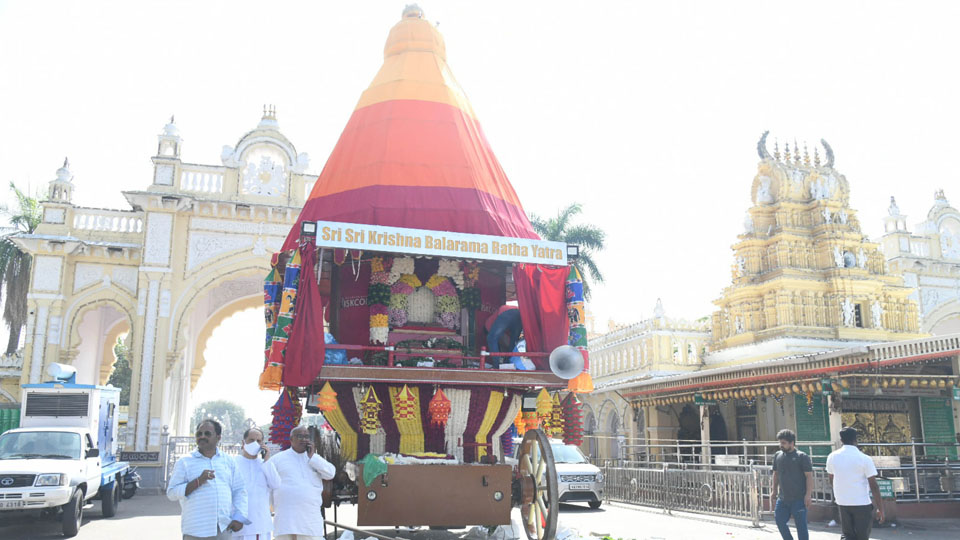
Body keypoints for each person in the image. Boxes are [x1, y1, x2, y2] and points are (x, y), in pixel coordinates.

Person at [167, 419, 248, 540]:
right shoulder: (185, 461)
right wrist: (198, 481)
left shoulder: (228, 460)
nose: (202, 436)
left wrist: (239, 517)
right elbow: (171, 493)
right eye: (199, 434)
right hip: (195, 530)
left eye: (207, 433)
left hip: (223, 528)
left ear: (218, 437)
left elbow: (239, 490)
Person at [271, 425, 336, 540]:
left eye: (306, 436)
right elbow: (269, 485)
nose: (304, 439)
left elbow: (330, 474)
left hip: (309, 518)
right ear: (291, 439)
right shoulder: (278, 459)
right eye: (300, 436)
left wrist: (313, 457)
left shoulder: (315, 459)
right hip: (286, 517)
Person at [826, 427, 885, 540]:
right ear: (855, 440)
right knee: (862, 536)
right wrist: (881, 509)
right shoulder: (864, 458)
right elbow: (874, 486)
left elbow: (831, 479)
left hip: (842, 502)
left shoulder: (832, 457)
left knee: (847, 535)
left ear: (841, 440)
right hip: (861, 503)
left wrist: (840, 493)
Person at [233, 427, 281, 540]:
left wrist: (267, 460)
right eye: (251, 440)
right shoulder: (233, 463)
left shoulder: (265, 464)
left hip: (259, 525)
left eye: (258, 441)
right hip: (236, 523)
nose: (255, 443)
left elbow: (276, 484)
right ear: (243, 442)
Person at [770, 429, 812, 540]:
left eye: (783, 443)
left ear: (792, 443)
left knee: (801, 527)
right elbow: (775, 474)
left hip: (799, 499)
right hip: (783, 498)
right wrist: (774, 490)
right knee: (779, 520)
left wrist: (808, 495)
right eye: (780, 442)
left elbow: (809, 476)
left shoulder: (802, 457)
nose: (781, 445)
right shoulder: (778, 455)